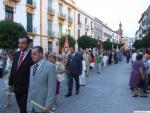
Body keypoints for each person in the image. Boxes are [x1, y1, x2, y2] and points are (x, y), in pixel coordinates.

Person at [27, 46, 57, 113]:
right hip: (31, 105)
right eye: (31, 54)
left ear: (41, 54)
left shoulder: (50, 67)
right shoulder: (31, 68)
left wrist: (48, 105)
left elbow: (52, 89)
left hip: (42, 106)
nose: (32, 56)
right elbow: (31, 86)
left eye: (34, 53)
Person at [9, 36, 34, 113]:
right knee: (21, 107)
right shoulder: (16, 54)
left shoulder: (32, 55)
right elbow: (13, 69)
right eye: (19, 43)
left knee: (23, 108)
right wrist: (11, 84)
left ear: (28, 44)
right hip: (17, 88)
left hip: (27, 89)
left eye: (23, 43)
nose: (20, 45)